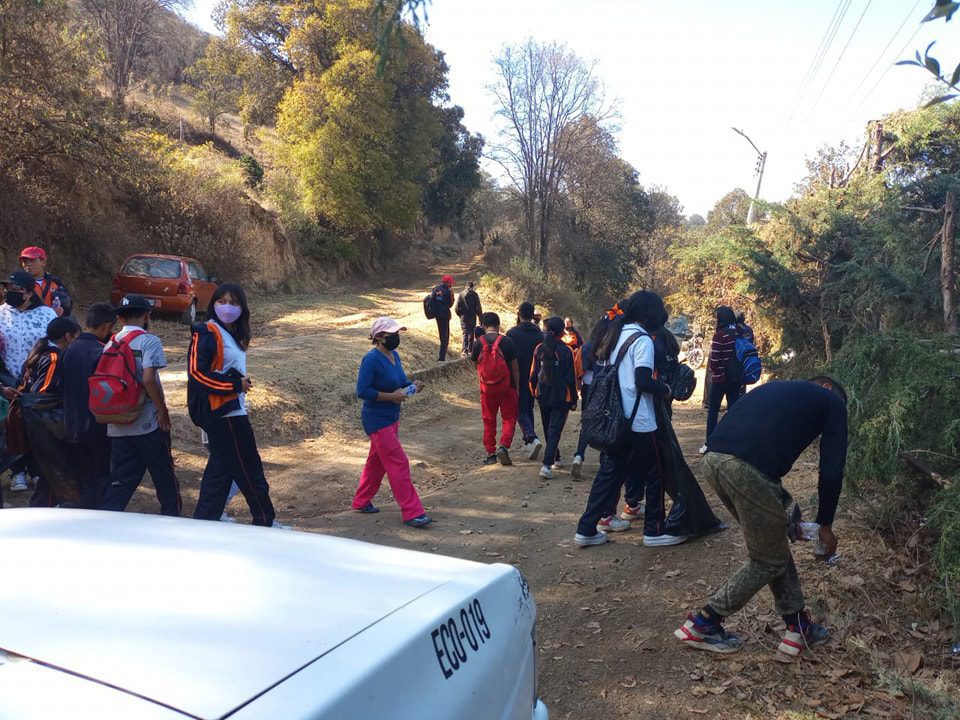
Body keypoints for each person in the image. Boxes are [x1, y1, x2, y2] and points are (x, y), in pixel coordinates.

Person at [674, 378, 848, 657]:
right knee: (767, 559)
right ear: (828, 388)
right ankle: (704, 622)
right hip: (745, 470)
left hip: (713, 459)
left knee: (773, 546)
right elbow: (831, 472)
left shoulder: (779, 389)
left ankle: (797, 627)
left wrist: (787, 511)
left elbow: (755, 447)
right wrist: (826, 525)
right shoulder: (832, 402)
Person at [573, 291, 674, 547]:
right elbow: (642, 380)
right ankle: (654, 530)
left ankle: (586, 529)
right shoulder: (643, 341)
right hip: (639, 419)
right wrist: (664, 388)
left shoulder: (615, 334)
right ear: (647, 313)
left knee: (609, 475)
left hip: (615, 420)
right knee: (655, 474)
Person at [189, 283, 287, 528]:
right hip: (225, 414)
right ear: (213, 304)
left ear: (242, 308)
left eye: (234, 303)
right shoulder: (206, 331)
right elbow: (197, 374)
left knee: (220, 470)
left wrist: (238, 384)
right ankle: (265, 521)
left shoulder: (231, 335)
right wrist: (234, 386)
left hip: (233, 409)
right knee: (249, 468)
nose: (228, 307)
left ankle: (204, 520)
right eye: (222, 302)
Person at [100, 294, 182, 517]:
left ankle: (106, 522)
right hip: (147, 422)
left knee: (121, 481)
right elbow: (148, 379)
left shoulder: (111, 341)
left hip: (117, 422)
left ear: (120, 318)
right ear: (147, 315)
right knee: (164, 478)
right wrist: (162, 410)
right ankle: (173, 521)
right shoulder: (149, 341)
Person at [353, 317, 432, 527]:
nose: (396, 337)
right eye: (392, 334)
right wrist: (392, 397)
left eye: (397, 333)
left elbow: (399, 382)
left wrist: (412, 385)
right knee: (399, 462)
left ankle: (361, 500)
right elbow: (362, 391)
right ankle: (412, 512)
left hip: (391, 418)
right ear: (379, 337)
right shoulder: (370, 359)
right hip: (376, 420)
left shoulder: (394, 355)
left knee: (376, 462)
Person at [0, 270, 58, 492]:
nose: (8, 293)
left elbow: (55, 344)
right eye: (6, 288)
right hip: (8, 379)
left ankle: (37, 471)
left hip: (38, 380)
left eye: (14, 289)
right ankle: (17, 472)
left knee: (36, 425)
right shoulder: (1, 313)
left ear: (28, 293)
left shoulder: (46, 315)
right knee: (13, 426)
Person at [19, 316, 80, 507]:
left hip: (41, 420)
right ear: (68, 336)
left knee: (49, 470)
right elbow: (42, 393)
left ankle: (43, 505)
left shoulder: (42, 351)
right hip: (45, 422)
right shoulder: (53, 357)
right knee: (54, 467)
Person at [61, 302, 117, 509]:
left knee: (79, 475)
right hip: (96, 426)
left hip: (71, 423)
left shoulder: (68, 349)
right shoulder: (101, 352)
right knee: (101, 475)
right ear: (106, 326)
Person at [530, 316, 578, 480]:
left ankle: (555, 457)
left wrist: (534, 392)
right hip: (560, 396)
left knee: (547, 428)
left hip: (542, 395)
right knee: (554, 430)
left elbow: (533, 375)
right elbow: (571, 377)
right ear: (561, 332)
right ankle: (546, 465)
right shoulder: (566, 351)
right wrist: (573, 400)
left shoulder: (539, 349)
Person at [471, 311, 519, 466]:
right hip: (507, 387)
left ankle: (491, 453)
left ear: (484, 326)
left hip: (487, 389)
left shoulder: (478, 343)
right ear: (498, 325)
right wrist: (516, 387)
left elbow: (476, 365)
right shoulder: (508, 342)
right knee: (509, 418)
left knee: (489, 420)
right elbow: (514, 368)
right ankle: (504, 446)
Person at [700, 306, 742, 454]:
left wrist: (715, 370)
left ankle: (710, 442)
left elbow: (715, 360)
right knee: (733, 409)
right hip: (736, 378)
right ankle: (733, 441)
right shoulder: (739, 332)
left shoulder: (720, 335)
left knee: (713, 410)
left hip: (720, 379)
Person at [572, 318, 609, 479]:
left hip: (589, 389)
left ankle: (579, 455)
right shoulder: (611, 348)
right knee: (606, 423)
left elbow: (580, 370)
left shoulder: (586, 347)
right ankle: (603, 460)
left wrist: (579, 386)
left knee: (587, 423)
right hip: (606, 390)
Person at [506, 302, 544, 460]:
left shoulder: (512, 333)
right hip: (536, 376)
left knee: (520, 410)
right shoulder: (540, 333)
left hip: (518, 376)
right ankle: (528, 442)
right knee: (528, 408)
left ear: (519, 314)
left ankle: (532, 437)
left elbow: (509, 358)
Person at [19, 246, 71, 316]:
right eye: (25, 261)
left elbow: (67, 306)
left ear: (44, 262)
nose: (27, 264)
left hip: (51, 322)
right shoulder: (19, 283)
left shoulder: (55, 282)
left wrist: (62, 310)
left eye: (32, 261)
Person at [431, 275, 455, 362]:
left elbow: (432, 300)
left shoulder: (435, 289)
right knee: (445, 337)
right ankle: (442, 358)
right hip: (445, 315)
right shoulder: (448, 291)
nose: (451, 285)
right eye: (450, 283)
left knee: (442, 335)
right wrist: (452, 296)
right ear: (447, 283)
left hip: (437, 315)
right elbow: (450, 304)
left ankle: (441, 356)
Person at [456, 281, 483, 356]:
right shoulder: (475, 295)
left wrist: (460, 315)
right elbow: (478, 307)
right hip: (472, 316)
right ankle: (470, 350)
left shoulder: (461, 294)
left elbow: (457, 307)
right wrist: (480, 317)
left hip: (463, 317)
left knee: (465, 332)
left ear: (466, 286)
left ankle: (464, 350)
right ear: (473, 287)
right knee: (471, 332)